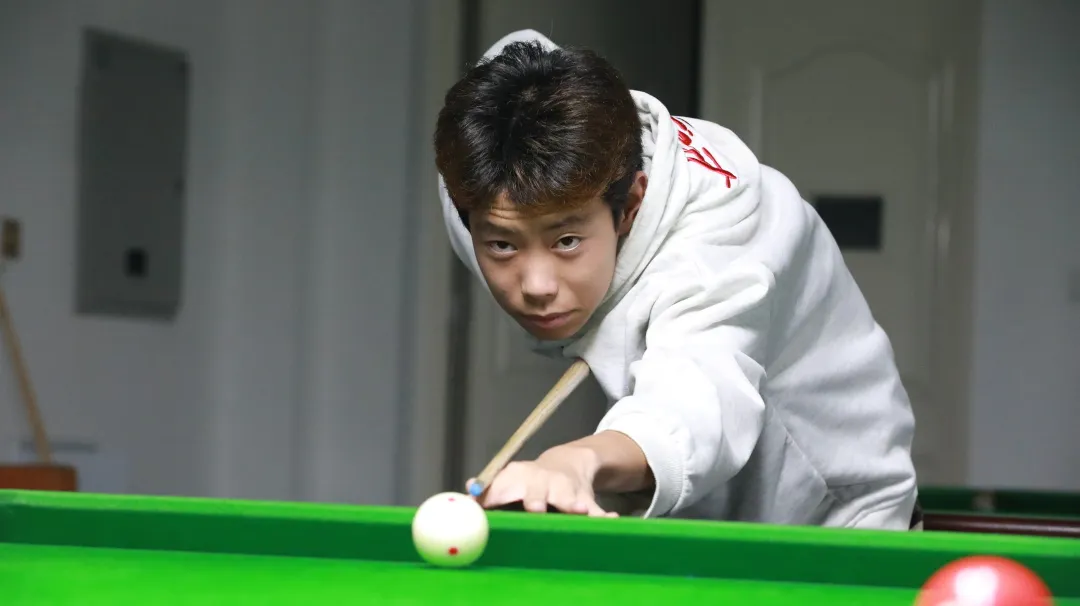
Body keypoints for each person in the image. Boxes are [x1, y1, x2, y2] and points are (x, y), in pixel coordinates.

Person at [433, 30, 919, 530]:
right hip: (699, 522)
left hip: (839, 520)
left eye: (567, 242)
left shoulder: (717, 242)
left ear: (630, 206)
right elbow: (518, 53)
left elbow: (695, 402)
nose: (536, 286)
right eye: (503, 246)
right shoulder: (483, 169)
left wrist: (574, 462)